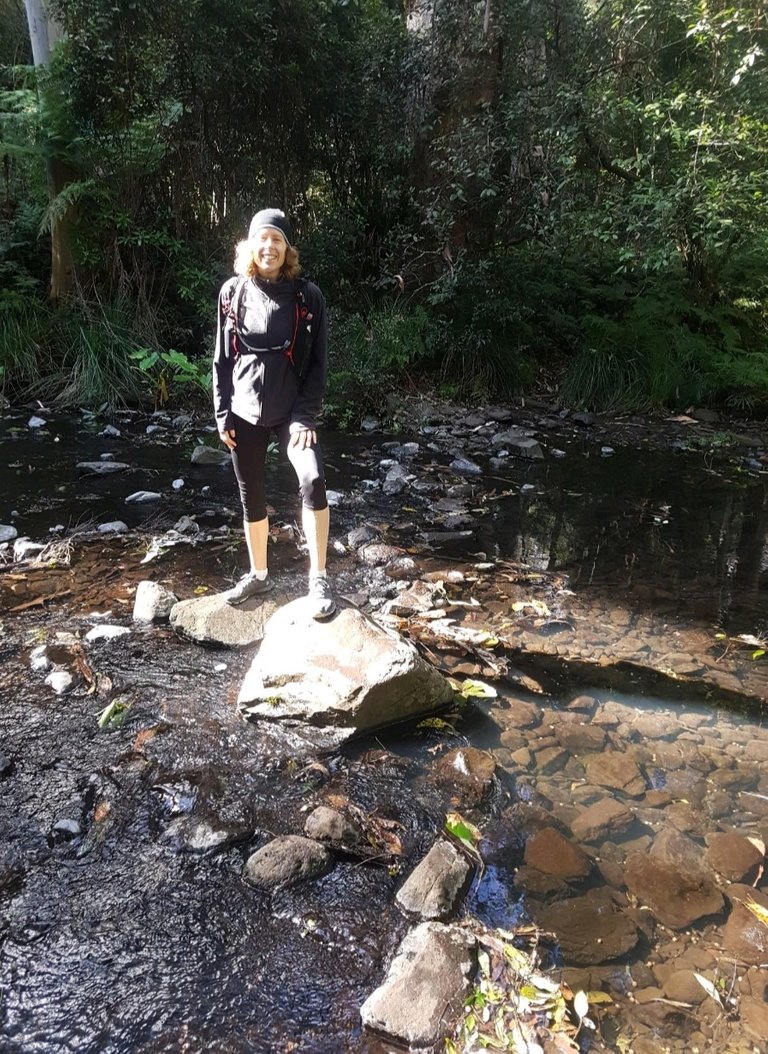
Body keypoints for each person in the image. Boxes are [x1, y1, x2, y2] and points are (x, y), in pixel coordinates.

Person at [212, 208, 335, 618]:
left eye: (277, 240)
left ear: (287, 248)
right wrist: (221, 413)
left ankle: (318, 578)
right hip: (243, 412)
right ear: (250, 246)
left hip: (292, 414)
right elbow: (221, 360)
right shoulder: (232, 293)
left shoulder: (308, 297)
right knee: (252, 494)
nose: (269, 246)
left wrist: (306, 416)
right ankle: (258, 573)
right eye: (262, 239)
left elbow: (318, 364)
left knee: (313, 479)